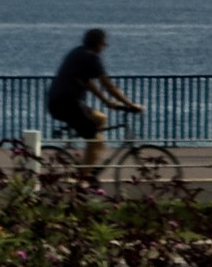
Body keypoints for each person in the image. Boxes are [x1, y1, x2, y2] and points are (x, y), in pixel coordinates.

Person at [45, 28, 143, 171]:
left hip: (59, 101)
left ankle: (88, 159)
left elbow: (88, 82)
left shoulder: (78, 52)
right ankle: (84, 177)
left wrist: (106, 102)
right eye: (104, 44)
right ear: (98, 44)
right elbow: (108, 85)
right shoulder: (91, 57)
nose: (104, 48)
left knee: (100, 118)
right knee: (96, 141)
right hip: (67, 103)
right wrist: (130, 104)